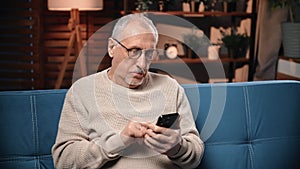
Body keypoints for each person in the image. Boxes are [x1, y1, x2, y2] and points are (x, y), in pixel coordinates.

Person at [52, 13, 204, 169]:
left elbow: (196, 154)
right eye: (134, 51)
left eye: (149, 54)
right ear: (112, 48)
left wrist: (177, 148)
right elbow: (63, 161)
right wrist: (119, 141)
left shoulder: (171, 87)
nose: (142, 64)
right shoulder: (82, 91)